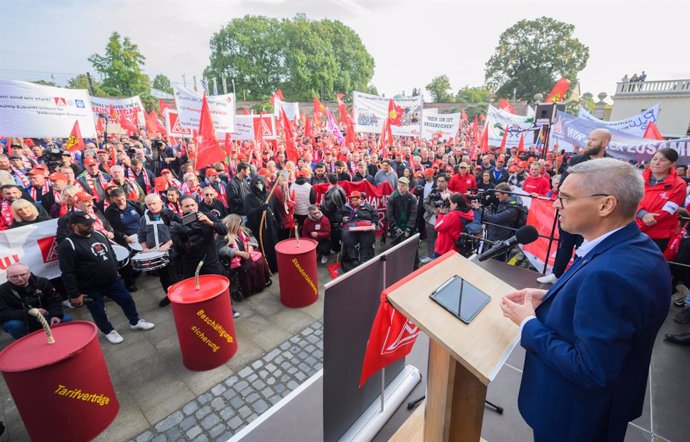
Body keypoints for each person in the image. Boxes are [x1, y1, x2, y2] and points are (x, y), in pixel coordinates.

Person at [500, 158, 670, 442]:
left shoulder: (609, 276)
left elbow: (591, 370)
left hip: (574, 417)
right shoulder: (634, 247)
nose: (556, 205)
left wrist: (528, 323)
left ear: (605, 205)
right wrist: (552, 297)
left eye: (565, 198)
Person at [57, 210, 155, 344]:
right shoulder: (67, 245)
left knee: (127, 300)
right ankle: (108, 331)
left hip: (112, 280)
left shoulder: (98, 233)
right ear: (74, 225)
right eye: (86, 225)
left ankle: (135, 321)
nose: (90, 226)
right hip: (90, 286)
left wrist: (115, 269)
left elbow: (110, 252)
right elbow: (67, 272)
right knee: (98, 311)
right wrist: (74, 294)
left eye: (91, 223)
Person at [537, 129, 611, 284]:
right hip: (569, 210)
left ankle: (575, 278)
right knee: (565, 243)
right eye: (588, 138)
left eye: (593, 140)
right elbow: (563, 183)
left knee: (583, 246)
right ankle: (556, 274)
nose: (589, 142)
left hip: (591, 214)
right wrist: (563, 204)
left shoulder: (610, 165)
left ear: (604, 143)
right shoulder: (577, 160)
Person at [0, 263, 72, 339]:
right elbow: (3, 313)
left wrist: (55, 315)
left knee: (66, 319)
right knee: (15, 325)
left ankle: (63, 339)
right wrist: (28, 312)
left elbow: (54, 300)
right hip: (21, 319)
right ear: (7, 277)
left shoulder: (43, 282)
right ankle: (26, 342)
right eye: (14, 276)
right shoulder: (2, 291)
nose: (20, 278)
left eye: (23, 275)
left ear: (29, 273)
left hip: (44, 315)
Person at [636, 148, 686, 252]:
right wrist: (642, 214)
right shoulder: (637, 178)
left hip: (658, 235)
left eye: (662, 160)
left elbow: (667, 211)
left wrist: (644, 221)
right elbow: (628, 200)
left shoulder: (679, 184)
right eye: (654, 159)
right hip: (633, 230)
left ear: (672, 163)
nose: (656, 163)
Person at [170, 196, 228, 279]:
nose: (191, 208)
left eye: (192, 205)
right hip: (191, 264)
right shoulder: (178, 223)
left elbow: (224, 230)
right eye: (187, 206)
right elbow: (178, 249)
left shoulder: (206, 215)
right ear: (181, 208)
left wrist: (210, 223)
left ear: (197, 205)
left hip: (210, 260)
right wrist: (183, 234)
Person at [137, 194, 179, 307]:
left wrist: (168, 243)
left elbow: (178, 231)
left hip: (172, 251)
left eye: (154, 203)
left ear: (160, 202)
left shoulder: (169, 215)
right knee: (163, 277)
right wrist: (145, 248)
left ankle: (180, 297)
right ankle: (169, 295)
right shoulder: (144, 218)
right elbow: (141, 234)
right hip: (155, 254)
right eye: (149, 204)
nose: (152, 206)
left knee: (174, 276)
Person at [218, 214, 271, 301]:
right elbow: (221, 249)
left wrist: (250, 247)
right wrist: (237, 252)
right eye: (240, 224)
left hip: (247, 254)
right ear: (234, 225)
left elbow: (252, 239)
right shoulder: (223, 235)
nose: (242, 226)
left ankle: (261, 283)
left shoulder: (244, 230)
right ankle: (248, 289)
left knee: (259, 261)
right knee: (249, 266)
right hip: (235, 260)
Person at [473, 182, 522, 260]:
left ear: (505, 194)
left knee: (496, 262)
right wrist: (486, 211)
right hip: (494, 236)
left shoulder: (514, 208)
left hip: (501, 239)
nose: (496, 197)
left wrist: (479, 209)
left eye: (498, 195)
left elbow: (495, 219)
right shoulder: (505, 202)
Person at [244, 175, 279, 272]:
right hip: (258, 227)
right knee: (264, 246)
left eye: (261, 183)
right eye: (257, 183)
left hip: (271, 226)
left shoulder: (269, 194)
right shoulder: (248, 197)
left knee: (273, 245)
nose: (259, 185)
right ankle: (266, 268)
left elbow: (275, 209)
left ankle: (275, 266)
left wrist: (279, 221)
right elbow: (248, 211)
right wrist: (260, 209)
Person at [338, 191, 377, 272]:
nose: (354, 202)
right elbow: (338, 215)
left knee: (367, 237)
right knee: (347, 236)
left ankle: (364, 258)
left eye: (356, 200)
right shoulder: (345, 207)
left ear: (360, 199)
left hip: (365, 226)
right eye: (353, 200)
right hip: (350, 226)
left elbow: (374, 215)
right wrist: (342, 219)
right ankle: (353, 258)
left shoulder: (368, 206)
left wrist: (374, 223)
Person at [320, 173, 346, 254]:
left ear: (328, 180)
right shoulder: (339, 188)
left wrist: (321, 203)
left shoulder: (333, 192)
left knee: (335, 234)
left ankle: (336, 249)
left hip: (333, 217)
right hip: (338, 214)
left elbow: (328, 208)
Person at [386, 177, 417, 244]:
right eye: (399, 185)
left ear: (407, 186)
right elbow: (389, 214)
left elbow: (413, 214)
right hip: (396, 225)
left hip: (408, 225)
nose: (400, 187)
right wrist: (395, 227)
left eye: (402, 186)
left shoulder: (412, 198)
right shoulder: (392, 197)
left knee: (410, 247)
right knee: (396, 248)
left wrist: (408, 228)